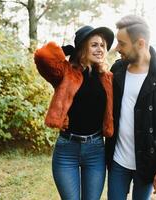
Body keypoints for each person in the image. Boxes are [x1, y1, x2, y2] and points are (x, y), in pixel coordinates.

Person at [34, 25, 114, 200]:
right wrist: (66, 51)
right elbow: (42, 55)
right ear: (83, 47)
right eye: (94, 45)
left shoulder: (107, 77)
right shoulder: (66, 73)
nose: (100, 49)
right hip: (67, 150)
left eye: (102, 45)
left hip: (95, 150)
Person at [105, 15, 156, 200]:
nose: (116, 49)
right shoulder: (117, 70)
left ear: (140, 43)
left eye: (122, 44)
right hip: (117, 161)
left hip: (147, 163)